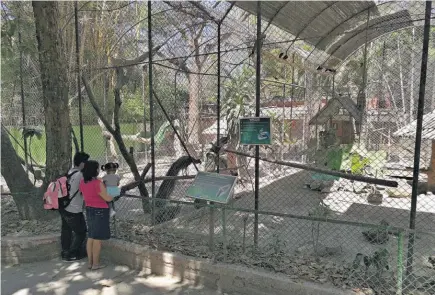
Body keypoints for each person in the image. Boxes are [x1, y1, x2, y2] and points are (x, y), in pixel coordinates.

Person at [80, 160, 113, 270]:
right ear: (94, 170)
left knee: (91, 236)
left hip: (89, 209)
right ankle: (96, 264)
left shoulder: (82, 182)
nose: (99, 170)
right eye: (98, 168)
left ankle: (90, 263)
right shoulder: (97, 183)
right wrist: (114, 186)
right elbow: (108, 197)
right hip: (100, 211)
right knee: (97, 239)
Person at [60, 152, 90, 261]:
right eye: (86, 162)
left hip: (64, 207)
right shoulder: (81, 175)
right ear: (82, 163)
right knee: (81, 232)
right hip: (74, 209)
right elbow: (87, 191)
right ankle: (73, 253)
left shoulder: (70, 172)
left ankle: (65, 252)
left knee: (66, 229)